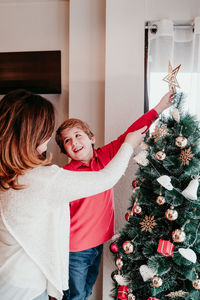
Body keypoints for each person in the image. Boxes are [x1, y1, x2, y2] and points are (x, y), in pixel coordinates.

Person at [0, 89, 147, 300]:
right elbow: (107, 178)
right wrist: (129, 145)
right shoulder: (45, 179)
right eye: (48, 129)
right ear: (34, 134)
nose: (50, 135)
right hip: (27, 287)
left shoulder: (10, 174)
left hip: (6, 276)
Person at [55, 91, 173, 300]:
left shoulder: (105, 156)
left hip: (96, 245)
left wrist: (159, 108)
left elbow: (131, 134)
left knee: (86, 292)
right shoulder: (67, 175)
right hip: (74, 251)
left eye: (78, 135)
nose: (74, 142)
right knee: (75, 296)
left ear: (91, 138)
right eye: (67, 141)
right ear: (65, 152)